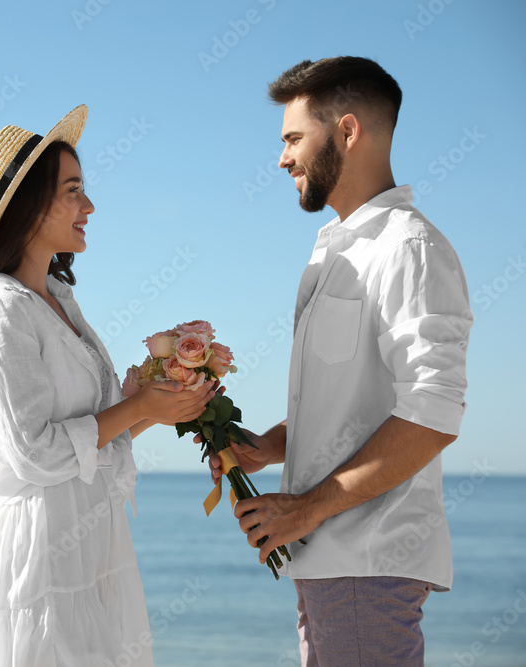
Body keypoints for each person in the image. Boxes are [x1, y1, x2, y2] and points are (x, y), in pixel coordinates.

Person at [212, 57, 473, 665]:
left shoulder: (408, 248)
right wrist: (269, 446)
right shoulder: (333, 253)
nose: (282, 159)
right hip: (333, 564)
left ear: (348, 132)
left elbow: (434, 415)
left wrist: (306, 508)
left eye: (294, 139)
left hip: (368, 560)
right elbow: (351, 406)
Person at [0, 105, 217, 666]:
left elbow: (98, 430)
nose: (89, 206)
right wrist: (142, 408)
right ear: (29, 205)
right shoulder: (0, 308)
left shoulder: (59, 300)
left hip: (93, 546)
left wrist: (153, 401)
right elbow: (36, 452)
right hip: (40, 555)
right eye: (73, 190)